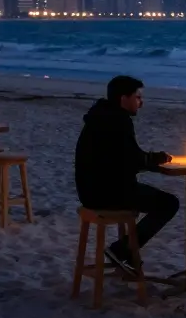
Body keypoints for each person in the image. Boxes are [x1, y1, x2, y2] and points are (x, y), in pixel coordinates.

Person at [74, 75, 175, 272]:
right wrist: (158, 159)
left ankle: (125, 251)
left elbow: (124, 157)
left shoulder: (98, 116)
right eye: (137, 97)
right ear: (123, 98)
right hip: (108, 192)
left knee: (154, 197)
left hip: (88, 190)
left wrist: (150, 161)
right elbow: (134, 160)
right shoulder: (118, 121)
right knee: (169, 204)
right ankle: (122, 250)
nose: (141, 103)